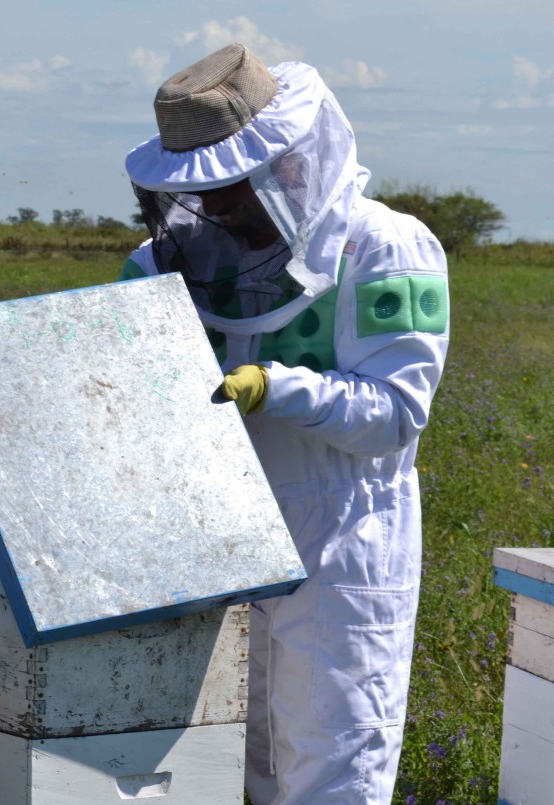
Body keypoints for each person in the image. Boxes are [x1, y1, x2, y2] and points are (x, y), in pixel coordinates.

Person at [120, 44, 448, 804]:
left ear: (290, 161)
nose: (217, 208)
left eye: (231, 187)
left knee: (335, 768)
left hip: (343, 542)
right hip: (217, 539)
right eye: (203, 191)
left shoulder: (384, 246)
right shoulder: (167, 261)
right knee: (230, 765)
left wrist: (277, 388)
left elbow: (395, 413)